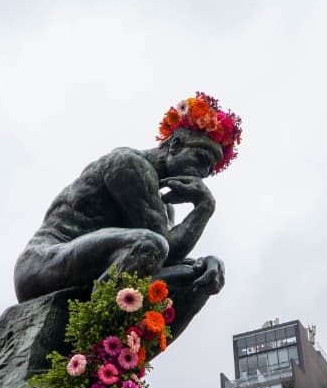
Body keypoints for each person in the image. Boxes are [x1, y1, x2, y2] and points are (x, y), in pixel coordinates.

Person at [13, 93, 242, 341]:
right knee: (150, 244)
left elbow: (164, 260)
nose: (203, 174)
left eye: (209, 169)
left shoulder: (164, 208)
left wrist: (209, 262)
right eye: (201, 159)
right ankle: (88, 341)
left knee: (200, 278)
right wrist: (204, 208)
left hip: (86, 266)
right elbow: (161, 249)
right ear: (175, 145)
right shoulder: (129, 164)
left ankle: (117, 362)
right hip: (41, 265)